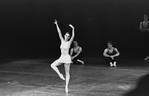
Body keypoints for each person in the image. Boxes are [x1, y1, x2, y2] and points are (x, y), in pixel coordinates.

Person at [51, 20, 74, 93]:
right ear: (64, 36)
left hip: (67, 58)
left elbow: (73, 36)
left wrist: (73, 28)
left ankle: (66, 86)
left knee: (67, 73)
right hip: (62, 57)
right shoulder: (62, 40)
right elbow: (59, 32)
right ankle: (60, 74)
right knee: (52, 65)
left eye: (68, 36)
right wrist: (57, 24)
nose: (67, 37)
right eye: (66, 35)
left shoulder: (69, 42)